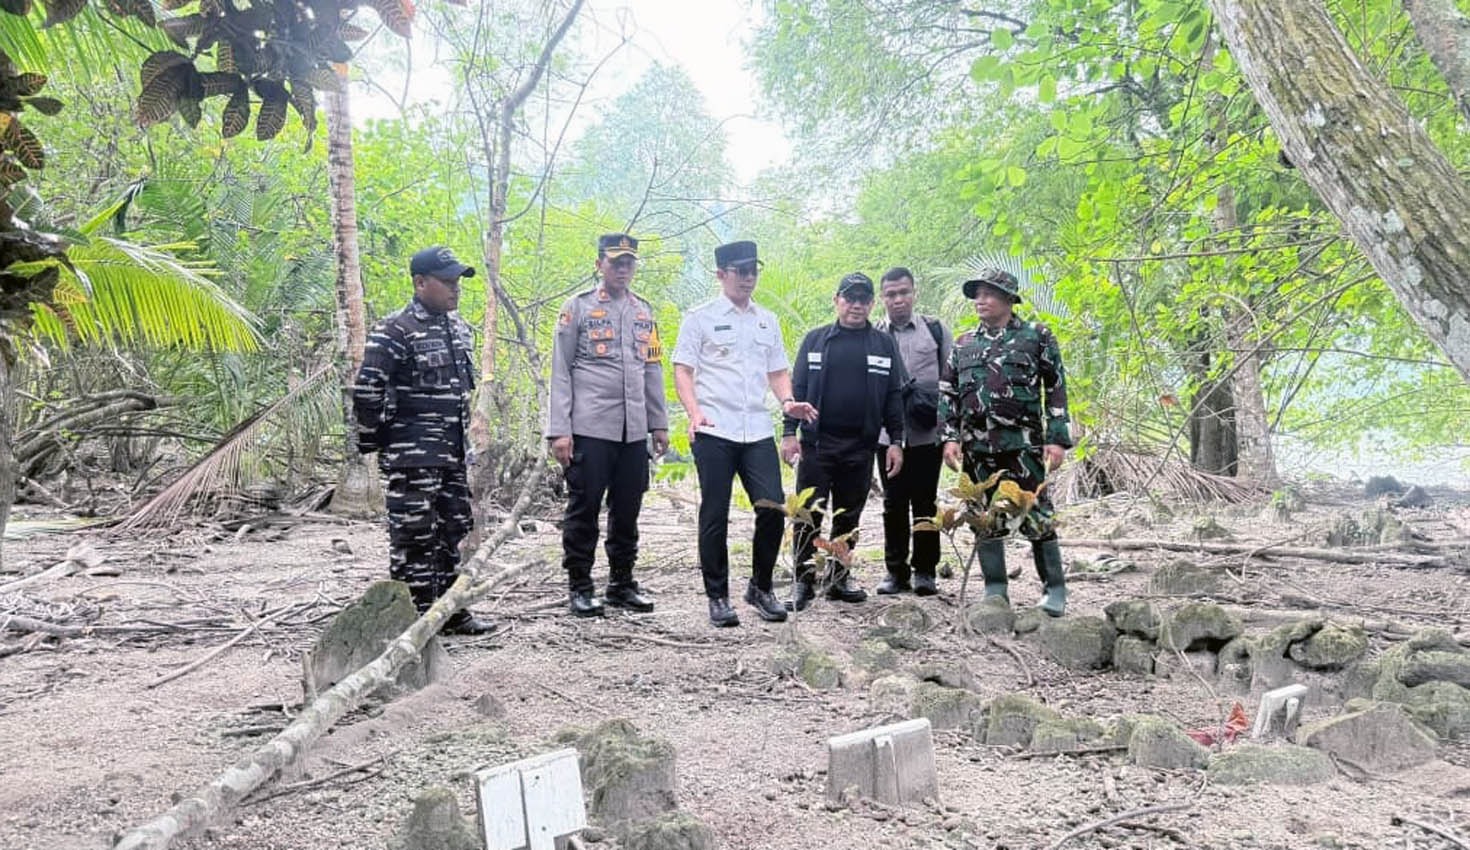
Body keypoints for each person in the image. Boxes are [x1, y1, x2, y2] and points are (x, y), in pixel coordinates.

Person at [672, 240, 818, 628]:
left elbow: (777, 371)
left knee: (771, 507)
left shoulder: (766, 320)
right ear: (721, 274)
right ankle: (717, 595)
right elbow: (683, 370)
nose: (749, 277)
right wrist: (694, 412)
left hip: (755, 429)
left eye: (754, 269)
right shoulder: (699, 317)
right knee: (715, 513)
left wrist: (788, 401)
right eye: (741, 271)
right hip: (714, 429)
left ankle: (761, 586)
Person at [352, 245, 494, 635]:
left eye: (457, 282)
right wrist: (376, 440)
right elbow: (367, 390)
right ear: (420, 283)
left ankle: (449, 611)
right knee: (414, 537)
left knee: (452, 530)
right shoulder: (395, 330)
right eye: (446, 282)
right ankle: (413, 621)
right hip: (411, 456)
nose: (455, 289)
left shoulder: (459, 329)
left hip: (451, 455)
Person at [546, 233, 670, 617]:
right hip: (590, 428)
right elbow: (561, 371)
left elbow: (652, 368)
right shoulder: (577, 309)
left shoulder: (644, 313)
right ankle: (580, 586)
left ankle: (621, 583)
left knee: (628, 509)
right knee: (584, 509)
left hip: (633, 432)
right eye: (615, 261)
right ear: (599, 264)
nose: (623, 269)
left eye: (629, 262)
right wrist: (559, 430)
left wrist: (659, 423)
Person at [938, 267, 1073, 616]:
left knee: (1037, 513)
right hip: (977, 450)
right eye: (977, 294)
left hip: (1024, 446)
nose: (980, 300)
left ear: (1009, 299)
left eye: (989, 293)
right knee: (983, 516)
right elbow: (948, 394)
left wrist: (1057, 440)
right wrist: (950, 438)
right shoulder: (964, 344)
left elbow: (1055, 387)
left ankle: (1054, 589)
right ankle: (995, 589)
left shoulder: (1036, 336)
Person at [781, 272, 908, 611]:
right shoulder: (815, 340)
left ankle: (838, 578)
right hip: (818, 445)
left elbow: (894, 396)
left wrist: (896, 440)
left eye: (863, 299)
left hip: (861, 446)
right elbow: (797, 391)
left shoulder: (883, 344)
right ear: (836, 300)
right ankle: (803, 581)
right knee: (809, 515)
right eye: (849, 298)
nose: (856, 305)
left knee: (848, 516)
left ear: (871, 303)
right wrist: (789, 433)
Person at [874, 267, 953, 597]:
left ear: (914, 293)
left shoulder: (934, 330)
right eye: (891, 294)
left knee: (925, 501)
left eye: (903, 292)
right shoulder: (874, 334)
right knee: (893, 503)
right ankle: (896, 572)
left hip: (926, 433)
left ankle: (925, 571)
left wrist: (950, 432)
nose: (898, 299)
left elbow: (951, 382)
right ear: (883, 298)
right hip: (885, 436)